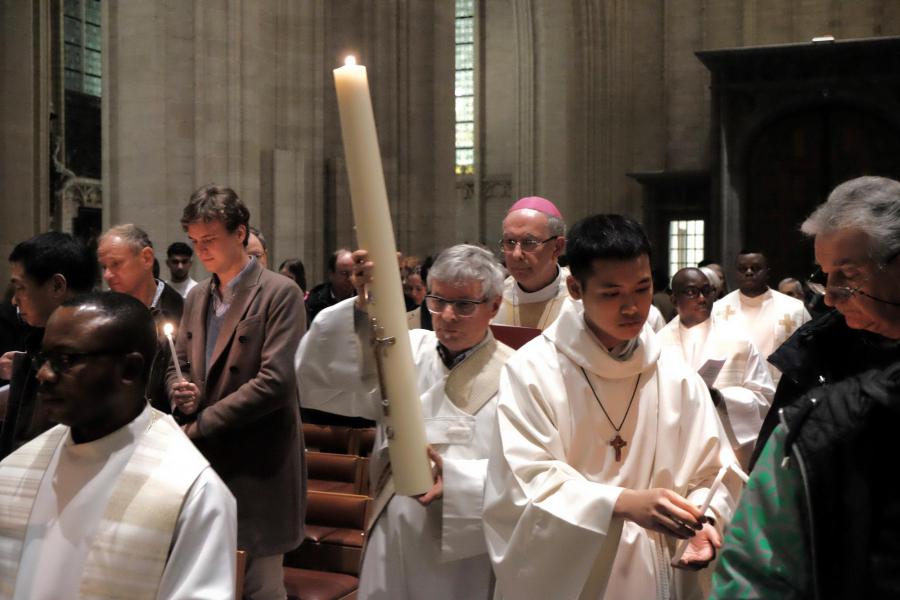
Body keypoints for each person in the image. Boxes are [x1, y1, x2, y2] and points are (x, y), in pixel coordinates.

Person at [484, 214, 739, 600]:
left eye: (642, 289)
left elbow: (714, 471)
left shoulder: (673, 374)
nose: (632, 308)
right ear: (575, 287)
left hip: (656, 574)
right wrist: (621, 503)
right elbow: (525, 482)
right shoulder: (533, 371)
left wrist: (705, 519)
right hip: (571, 578)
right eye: (611, 293)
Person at [712, 175, 900, 598]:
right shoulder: (817, 355)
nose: (830, 298)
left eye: (848, 276)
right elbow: (763, 541)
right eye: (825, 276)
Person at [297, 244, 512, 600]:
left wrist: (462, 483)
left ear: (494, 305)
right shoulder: (407, 351)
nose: (446, 315)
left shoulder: (518, 374)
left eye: (463, 305)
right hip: (394, 524)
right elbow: (324, 379)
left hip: (468, 541)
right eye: (437, 301)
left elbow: (528, 469)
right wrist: (362, 305)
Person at [0, 291, 237, 598]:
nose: (43, 375)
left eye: (66, 360)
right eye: (43, 359)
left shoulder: (192, 491)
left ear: (130, 370)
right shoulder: (14, 471)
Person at [167, 184, 306, 599]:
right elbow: (180, 363)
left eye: (209, 239)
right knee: (211, 581)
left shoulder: (278, 292)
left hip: (258, 460)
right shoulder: (196, 296)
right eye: (195, 242)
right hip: (207, 463)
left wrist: (203, 421)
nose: (201, 250)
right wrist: (180, 390)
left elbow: (276, 382)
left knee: (259, 584)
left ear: (240, 233)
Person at [657, 267, 774, 469]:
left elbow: (765, 399)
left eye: (707, 290)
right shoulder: (657, 345)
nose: (702, 298)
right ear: (674, 300)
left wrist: (721, 398)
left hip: (727, 451)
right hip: (676, 452)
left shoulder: (739, 340)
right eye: (692, 292)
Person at [0, 232, 95, 459]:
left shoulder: (93, 354)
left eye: (20, 287)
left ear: (56, 286)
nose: (14, 300)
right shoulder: (39, 343)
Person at [98, 224, 183, 413]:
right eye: (104, 267)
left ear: (146, 258)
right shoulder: (99, 313)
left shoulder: (182, 311)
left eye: (116, 264)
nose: (107, 275)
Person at [712, 249, 811, 385]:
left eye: (756, 268)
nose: (749, 272)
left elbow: (810, 353)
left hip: (781, 390)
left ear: (768, 272)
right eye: (742, 269)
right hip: (733, 392)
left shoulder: (794, 308)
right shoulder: (718, 309)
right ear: (735, 273)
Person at [493, 196, 569, 330]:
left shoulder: (581, 298)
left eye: (529, 242)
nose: (516, 254)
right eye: (510, 242)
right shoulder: (492, 299)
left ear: (557, 247)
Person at [306, 248, 356, 324]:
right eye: (344, 273)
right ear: (331, 274)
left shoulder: (362, 298)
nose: (350, 278)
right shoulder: (315, 301)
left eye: (353, 273)